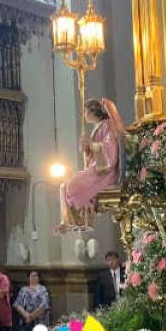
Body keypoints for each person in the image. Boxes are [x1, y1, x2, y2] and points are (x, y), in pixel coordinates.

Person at [57, 98, 126, 233]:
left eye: (85, 111)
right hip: (95, 169)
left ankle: (81, 219)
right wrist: (86, 149)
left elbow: (110, 150)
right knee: (63, 185)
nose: (83, 114)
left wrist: (91, 145)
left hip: (105, 172)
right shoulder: (98, 127)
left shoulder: (108, 125)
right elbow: (92, 154)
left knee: (72, 184)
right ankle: (70, 221)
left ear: (94, 111)